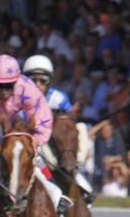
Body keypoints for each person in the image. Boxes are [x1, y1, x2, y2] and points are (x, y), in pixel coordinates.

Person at [0, 54, 71, 217]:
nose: (3, 92)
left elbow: (43, 118)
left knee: (32, 158)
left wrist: (36, 140)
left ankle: (56, 198)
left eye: (8, 86)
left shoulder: (27, 88)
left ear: (16, 82)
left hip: (13, 124)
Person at [24, 54, 95, 200]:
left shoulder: (59, 98)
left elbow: (68, 126)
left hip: (54, 147)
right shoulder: (19, 98)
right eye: (33, 80)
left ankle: (79, 180)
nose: (38, 84)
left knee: (80, 129)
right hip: (30, 144)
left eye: (43, 80)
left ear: (50, 81)